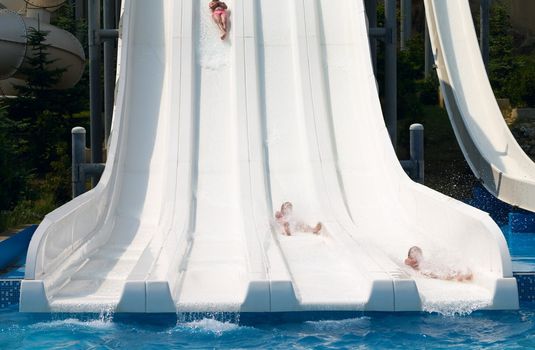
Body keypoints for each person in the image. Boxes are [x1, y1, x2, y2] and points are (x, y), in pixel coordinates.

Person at [404, 246, 473, 282]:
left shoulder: (422, 260)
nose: (415, 252)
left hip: (428, 267)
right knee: (435, 274)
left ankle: (460, 273)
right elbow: (408, 262)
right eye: (413, 251)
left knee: (441, 268)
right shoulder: (409, 260)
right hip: (425, 270)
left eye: (417, 250)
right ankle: (459, 275)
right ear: (409, 255)